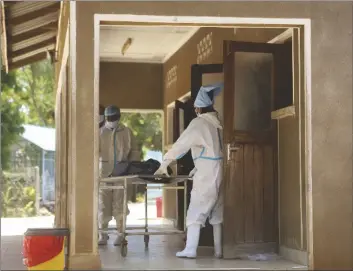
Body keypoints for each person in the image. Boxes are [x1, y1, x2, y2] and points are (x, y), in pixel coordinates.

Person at [154, 82, 224, 259]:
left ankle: (190, 249)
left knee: (196, 209)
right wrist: (196, 167)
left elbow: (181, 145)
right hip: (221, 170)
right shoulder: (219, 122)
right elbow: (212, 151)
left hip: (207, 174)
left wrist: (165, 162)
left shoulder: (199, 123)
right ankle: (218, 250)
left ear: (198, 108)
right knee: (217, 209)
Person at [98, 105, 141, 246]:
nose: (112, 120)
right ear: (105, 118)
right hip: (103, 174)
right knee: (102, 206)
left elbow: (134, 151)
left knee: (120, 205)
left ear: (119, 117)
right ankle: (102, 234)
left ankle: (120, 234)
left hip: (121, 173)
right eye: (109, 118)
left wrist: (131, 167)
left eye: (114, 118)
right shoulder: (99, 133)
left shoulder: (127, 132)